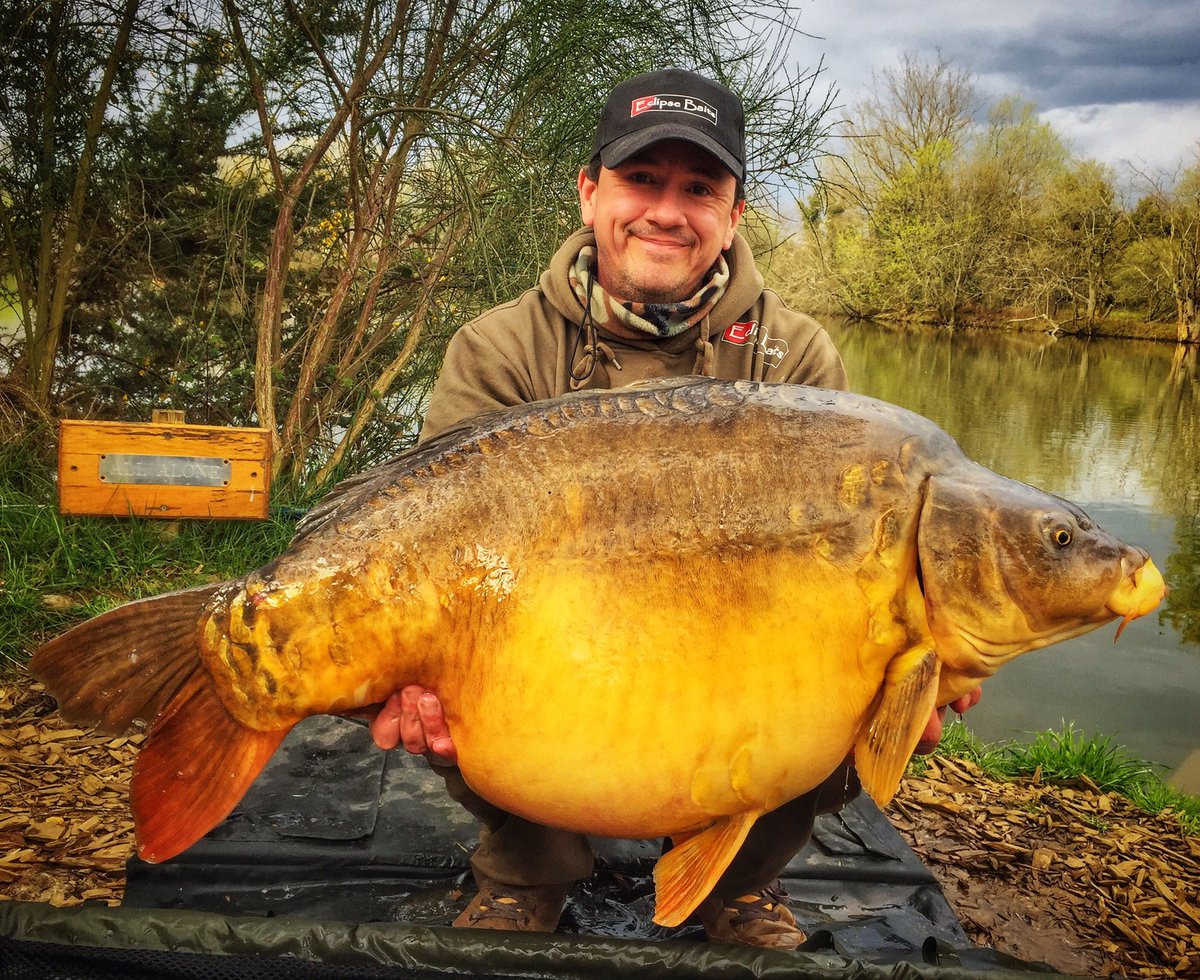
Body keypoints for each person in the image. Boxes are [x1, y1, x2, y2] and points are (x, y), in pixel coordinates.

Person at [370, 68, 981, 948]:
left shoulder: (795, 355)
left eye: (699, 189)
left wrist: (915, 664)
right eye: (642, 179)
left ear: (734, 215)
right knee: (470, 660)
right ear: (590, 192)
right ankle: (528, 870)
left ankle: (739, 881)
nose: (666, 210)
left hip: (731, 656)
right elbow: (429, 542)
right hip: (558, 646)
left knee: (853, 676)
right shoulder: (501, 346)